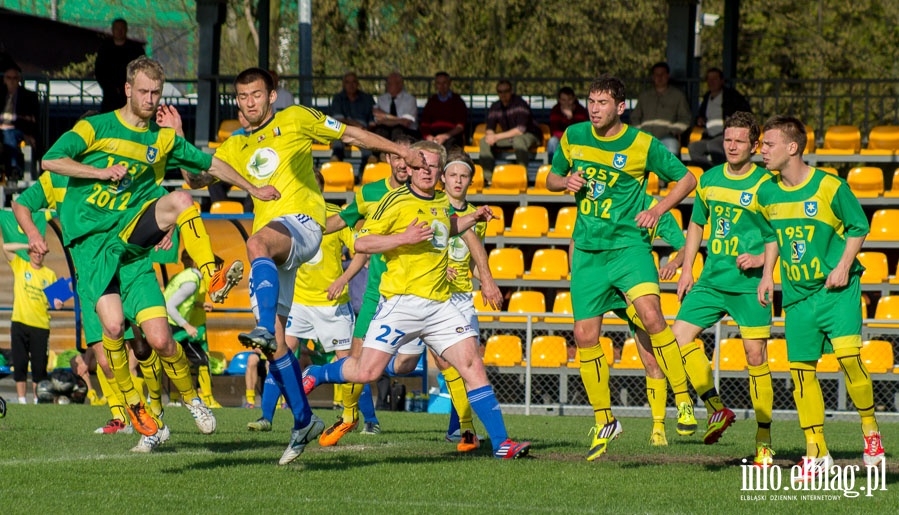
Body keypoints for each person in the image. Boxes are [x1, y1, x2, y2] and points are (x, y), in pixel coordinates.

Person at [40, 57, 272, 446]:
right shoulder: (94, 128)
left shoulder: (161, 138)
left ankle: (210, 280)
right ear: (128, 89)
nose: (150, 100)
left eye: (157, 94)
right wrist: (100, 172)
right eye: (144, 91)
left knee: (181, 202)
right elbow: (50, 159)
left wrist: (252, 188)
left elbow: (209, 164)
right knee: (113, 328)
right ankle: (138, 411)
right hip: (93, 247)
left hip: (130, 243)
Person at [216, 67, 425, 465]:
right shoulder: (234, 145)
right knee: (277, 344)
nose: (249, 103)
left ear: (272, 94)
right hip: (277, 246)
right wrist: (177, 142)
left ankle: (358, 414)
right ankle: (304, 420)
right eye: (242, 97)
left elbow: (350, 134)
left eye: (256, 95)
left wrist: (399, 151)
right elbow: (200, 172)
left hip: (305, 226)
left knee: (255, 242)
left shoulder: (296, 118)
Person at [302, 140, 531, 459]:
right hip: (400, 304)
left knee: (472, 365)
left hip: (440, 306)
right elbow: (363, 242)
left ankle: (502, 443)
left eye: (433, 166)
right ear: (410, 168)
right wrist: (403, 238)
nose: (426, 171)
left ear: (439, 171)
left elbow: (446, 226)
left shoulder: (441, 200)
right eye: (420, 165)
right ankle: (317, 373)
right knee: (367, 372)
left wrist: (472, 217)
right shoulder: (393, 201)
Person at [545, 75, 697, 461]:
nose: (594, 108)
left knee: (652, 317)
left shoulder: (642, 144)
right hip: (589, 251)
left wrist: (659, 208)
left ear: (620, 107)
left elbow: (687, 178)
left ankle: (682, 396)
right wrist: (565, 181)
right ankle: (605, 419)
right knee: (584, 336)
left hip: (628, 248)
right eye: (591, 101)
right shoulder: (574, 135)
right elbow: (548, 177)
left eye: (601, 102)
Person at [756, 115, 885, 482]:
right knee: (801, 374)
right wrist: (767, 274)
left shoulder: (830, 186)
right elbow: (770, 235)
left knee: (848, 359)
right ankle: (817, 453)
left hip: (837, 292)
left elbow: (859, 226)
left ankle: (871, 432)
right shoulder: (766, 192)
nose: (761, 151)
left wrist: (844, 265)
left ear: (792, 147)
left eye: (769, 145)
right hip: (796, 297)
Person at [673, 112, 776, 465]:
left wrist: (763, 261)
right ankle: (716, 407)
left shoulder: (767, 184)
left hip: (749, 287)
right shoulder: (709, 179)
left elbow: (780, 233)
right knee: (678, 337)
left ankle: (764, 438)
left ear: (754, 145)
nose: (731, 146)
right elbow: (697, 225)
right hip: (712, 280)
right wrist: (687, 270)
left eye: (738, 141)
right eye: (727, 140)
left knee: (755, 358)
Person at [246, 169, 370, 446]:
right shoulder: (286, 216)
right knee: (276, 348)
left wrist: (343, 278)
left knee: (349, 361)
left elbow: (361, 249)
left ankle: (365, 419)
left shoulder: (333, 215)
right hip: (300, 301)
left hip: (331, 303)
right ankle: (267, 416)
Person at [322, 135, 416, 437]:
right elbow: (345, 220)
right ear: (389, 159)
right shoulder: (371, 193)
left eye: (408, 159)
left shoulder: (426, 195)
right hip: (378, 293)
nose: (403, 164)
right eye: (397, 157)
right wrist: (310, 230)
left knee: (411, 365)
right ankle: (355, 417)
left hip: (417, 293)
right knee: (357, 359)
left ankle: (461, 429)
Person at [439, 148, 503, 451]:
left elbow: (476, 258)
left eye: (464, 176)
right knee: (406, 365)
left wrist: (487, 281)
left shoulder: (479, 216)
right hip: (431, 294)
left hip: (462, 297)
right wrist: (440, 267)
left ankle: (463, 429)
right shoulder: (431, 207)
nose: (458, 180)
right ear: (443, 178)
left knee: (468, 362)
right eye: (453, 174)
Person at [2, 237, 61, 404]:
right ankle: (22, 400)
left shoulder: (49, 274)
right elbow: (6, 247)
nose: (37, 255)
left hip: (40, 325)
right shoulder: (21, 265)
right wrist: (29, 244)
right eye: (34, 251)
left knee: (39, 366)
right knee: (19, 363)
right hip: (19, 322)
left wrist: (58, 302)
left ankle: (37, 399)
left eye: (40, 252)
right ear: (29, 252)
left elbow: (56, 301)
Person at [164, 250, 224, 409]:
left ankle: (175, 398)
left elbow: (183, 301)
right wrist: (187, 325)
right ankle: (200, 398)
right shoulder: (192, 279)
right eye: (214, 269)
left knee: (177, 360)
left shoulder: (188, 277)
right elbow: (171, 305)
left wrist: (199, 305)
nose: (215, 273)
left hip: (179, 324)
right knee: (199, 359)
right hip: (180, 325)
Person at [689, 68, 752, 169]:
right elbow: (699, 116)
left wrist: (732, 122)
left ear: (722, 81)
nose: (711, 82)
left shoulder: (732, 96)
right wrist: (699, 120)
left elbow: (746, 113)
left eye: (715, 79)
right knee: (694, 148)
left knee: (713, 146)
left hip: (726, 135)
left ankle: (726, 172)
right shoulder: (707, 97)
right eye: (709, 79)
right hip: (708, 135)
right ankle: (710, 171)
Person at [478, 80, 542, 176]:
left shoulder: (520, 104)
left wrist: (496, 137)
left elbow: (520, 130)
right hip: (509, 137)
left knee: (518, 140)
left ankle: (522, 176)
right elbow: (490, 127)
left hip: (530, 135)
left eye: (506, 91)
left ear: (511, 91)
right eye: (500, 91)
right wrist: (490, 136)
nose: (503, 94)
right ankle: (488, 178)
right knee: (484, 140)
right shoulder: (495, 106)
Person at [629, 62, 692, 155]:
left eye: (662, 74)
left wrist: (673, 130)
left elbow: (685, 118)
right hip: (644, 136)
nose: (659, 77)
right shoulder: (644, 96)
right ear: (653, 77)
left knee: (670, 152)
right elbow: (634, 117)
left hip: (667, 137)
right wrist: (640, 130)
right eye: (656, 74)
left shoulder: (678, 96)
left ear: (667, 76)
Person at [329, 72, 375, 176]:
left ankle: (363, 176)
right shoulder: (338, 98)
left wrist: (367, 129)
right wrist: (355, 125)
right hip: (343, 131)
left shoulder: (367, 99)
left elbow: (373, 121)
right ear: (343, 84)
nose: (351, 85)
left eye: (354, 82)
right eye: (347, 82)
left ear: (358, 83)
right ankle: (337, 171)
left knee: (368, 149)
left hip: (363, 132)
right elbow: (337, 119)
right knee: (337, 137)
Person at [94, 18, 145, 113]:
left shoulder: (136, 50)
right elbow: (99, 71)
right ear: (112, 30)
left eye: (122, 28)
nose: (119, 31)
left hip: (130, 96)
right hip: (110, 97)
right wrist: (110, 88)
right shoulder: (105, 49)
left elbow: (142, 70)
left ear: (126, 30)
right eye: (117, 28)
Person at [1, 65, 40, 180]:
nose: (11, 81)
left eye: (15, 78)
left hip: (18, 130)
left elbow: (31, 119)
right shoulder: (1, 95)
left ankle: (13, 170)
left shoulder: (28, 96)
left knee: (9, 135)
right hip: (1, 129)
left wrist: (11, 125)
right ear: (4, 79)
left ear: (19, 80)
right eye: (9, 78)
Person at [419, 72, 468, 150]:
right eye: (439, 83)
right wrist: (428, 137)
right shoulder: (431, 101)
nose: (442, 86)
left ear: (449, 83)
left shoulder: (458, 101)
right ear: (436, 85)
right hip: (433, 135)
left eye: (444, 83)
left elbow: (460, 126)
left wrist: (445, 136)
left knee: (449, 147)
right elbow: (425, 123)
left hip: (452, 135)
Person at [371, 71, 419, 142]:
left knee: (398, 131)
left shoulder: (410, 99)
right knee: (380, 131)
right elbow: (378, 118)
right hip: (386, 130)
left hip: (406, 132)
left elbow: (406, 123)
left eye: (390, 83)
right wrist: (400, 120)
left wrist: (385, 116)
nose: (387, 85)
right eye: (387, 83)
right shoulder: (381, 99)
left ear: (400, 84)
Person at [546, 86, 588, 161]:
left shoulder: (581, 111)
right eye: (563, 100)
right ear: (559, 100)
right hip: (561, 139)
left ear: (574, 99)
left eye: (569, 100)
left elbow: (582, 131)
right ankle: (553, 168)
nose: (566, 103)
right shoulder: (555, 110)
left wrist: (571, 118)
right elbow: (555, 132)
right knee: (552, 141)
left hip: (577, 140)